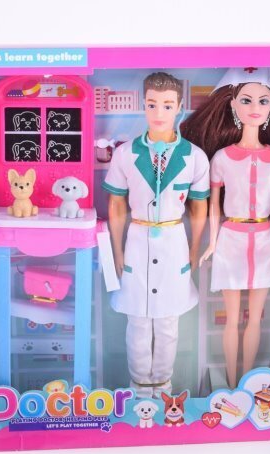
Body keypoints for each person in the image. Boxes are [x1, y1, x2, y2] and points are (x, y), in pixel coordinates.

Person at [181, 68, 270, 388]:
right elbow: (214, 205)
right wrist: (211, 241)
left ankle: (248, 381)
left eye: (263, 100)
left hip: (265, 240)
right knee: (231, 318)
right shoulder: (221, 157)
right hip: (231, 239)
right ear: (233, 104)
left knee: (255, 318)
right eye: (246, 100)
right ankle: (233, 383)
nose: (255, 107)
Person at [102, 72, 210, 398]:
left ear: (179, 107)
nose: (159, 112)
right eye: (152, 104)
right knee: (137, 321)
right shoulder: (125, 154)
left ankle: (163, 387)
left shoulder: (194, 156)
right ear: (143, 105)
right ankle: (138, 388)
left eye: (167, 105)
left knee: (167, 323)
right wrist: (118, 251)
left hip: (174, 241)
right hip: (137, 239)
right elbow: (116, 205)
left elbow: (199, 208)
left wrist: (194, 250)